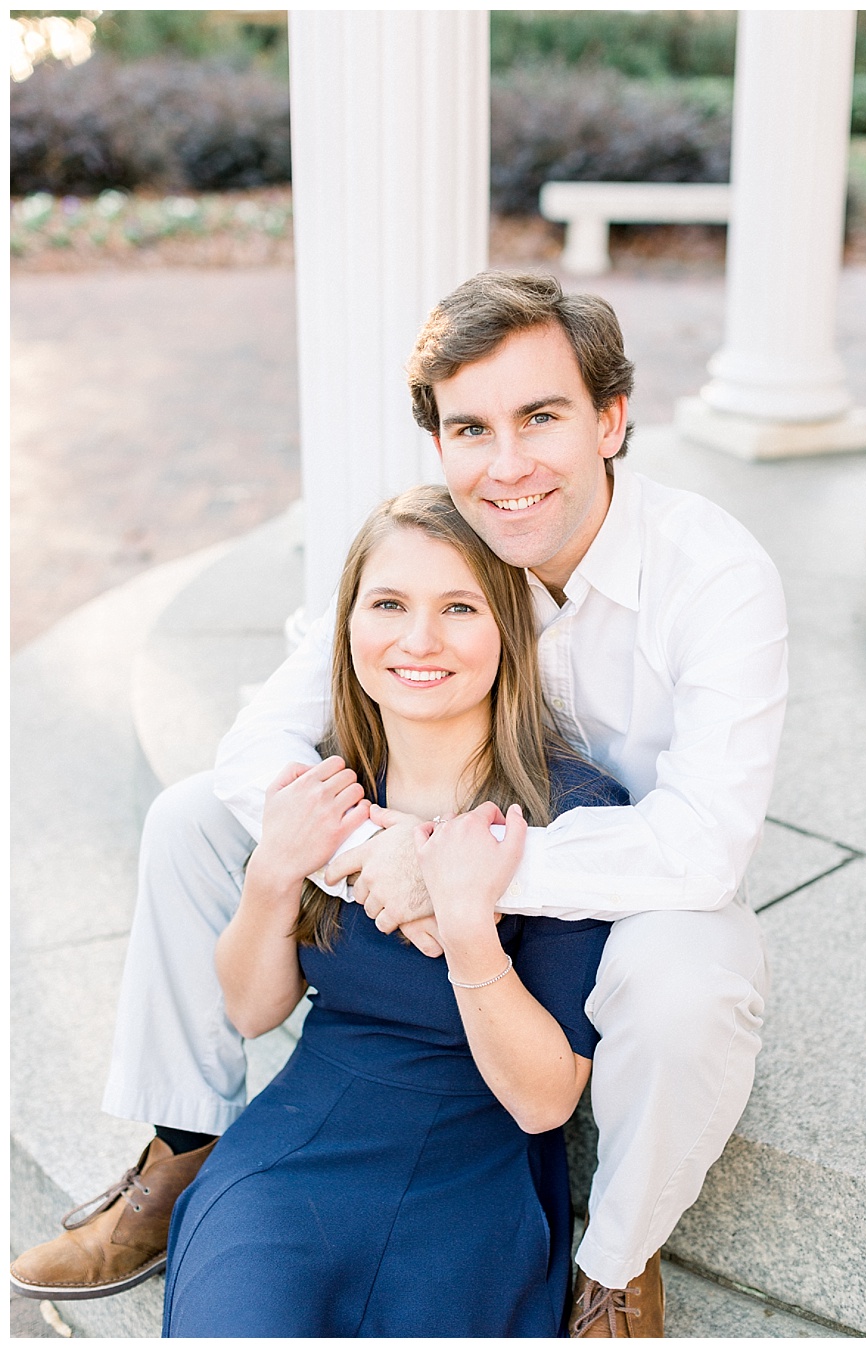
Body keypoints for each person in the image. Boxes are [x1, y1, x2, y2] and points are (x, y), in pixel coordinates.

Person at [10, 273, 787, 1338]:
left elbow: (705, 845)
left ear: (610, 420)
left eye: (542, 417)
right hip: (444, 834)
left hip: (637, 869)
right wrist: (372, 850)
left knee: (690, 988)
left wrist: (463, 872)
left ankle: (615, 1263)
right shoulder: (451, 546)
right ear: (439, 442)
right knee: (191, 817)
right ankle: (184, 1144)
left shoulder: (717, 576)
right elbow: (257, 747)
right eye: (471, 428)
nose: (506, 464)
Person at [163, 485, 627, 1334]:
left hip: (475, 1173)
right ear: (348, 626)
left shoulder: (575, 814)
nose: (419, 640)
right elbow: (250, 1010)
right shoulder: (331, 781)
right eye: (388, 604)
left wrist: (464, 924)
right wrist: (279, 867)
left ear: (508, 631)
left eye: (459, 607)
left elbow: (544, 1101)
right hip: (300, 1152)